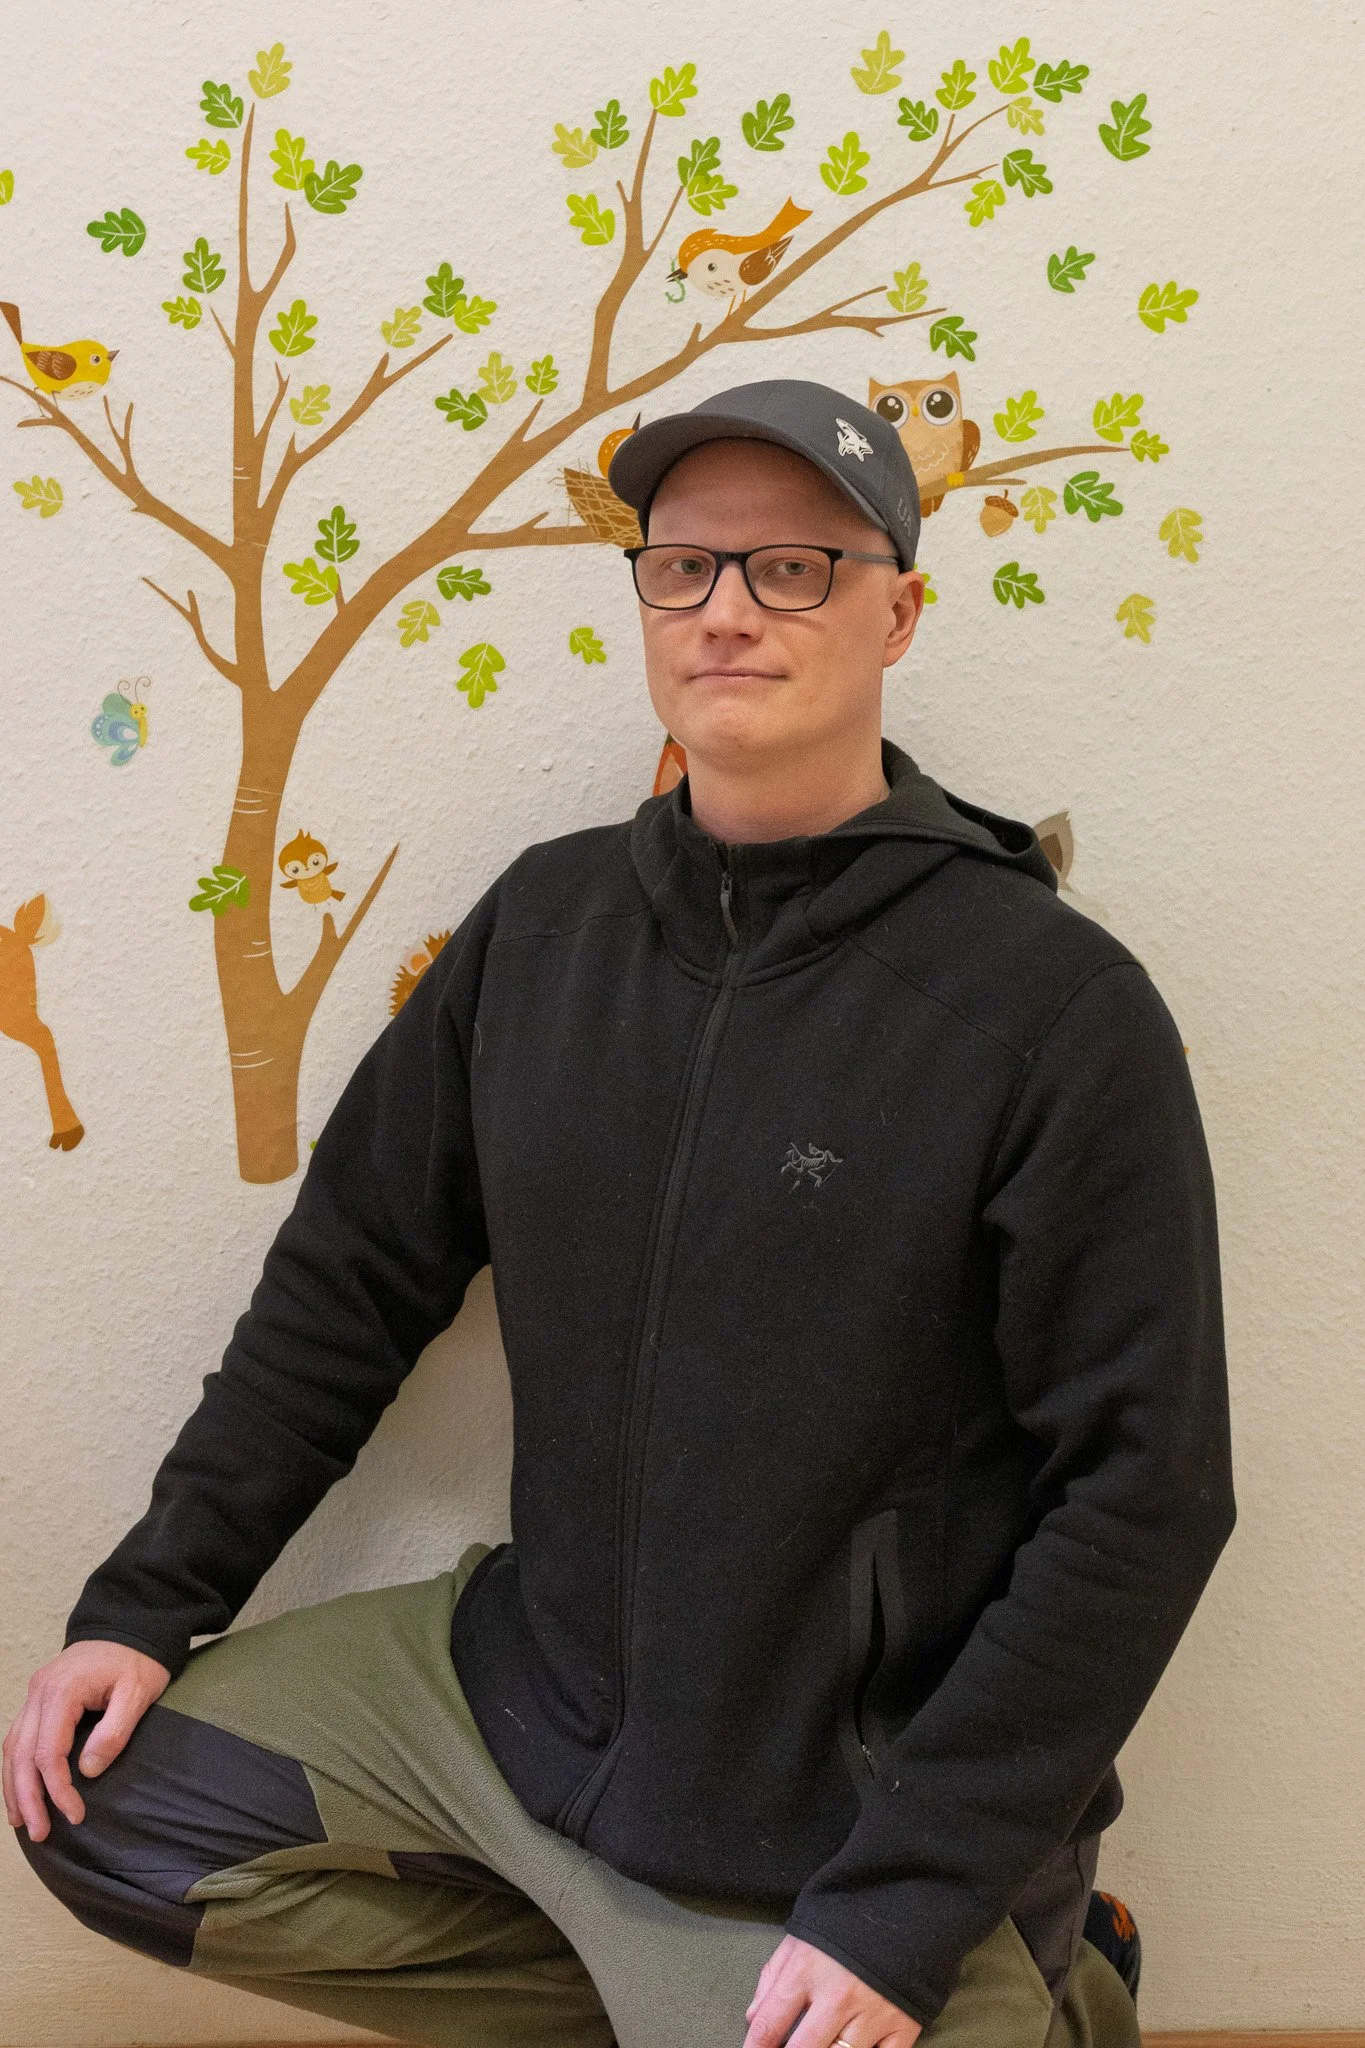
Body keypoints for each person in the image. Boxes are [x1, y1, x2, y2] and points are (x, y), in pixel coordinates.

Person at [5, 378, 1235, 2048]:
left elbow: (1145, 1498)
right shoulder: (542, 928)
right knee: (102, 1800)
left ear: (899, 610)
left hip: (823, 1809)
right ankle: (664, 1996)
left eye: (794, 567)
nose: (727, 609)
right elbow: (347, 1287)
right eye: (684, 567)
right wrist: (151, 1598)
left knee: (895, 1989)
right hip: (532, 1699)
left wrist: (904, 1903)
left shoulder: (1047, 1004)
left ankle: (1031, 1965)